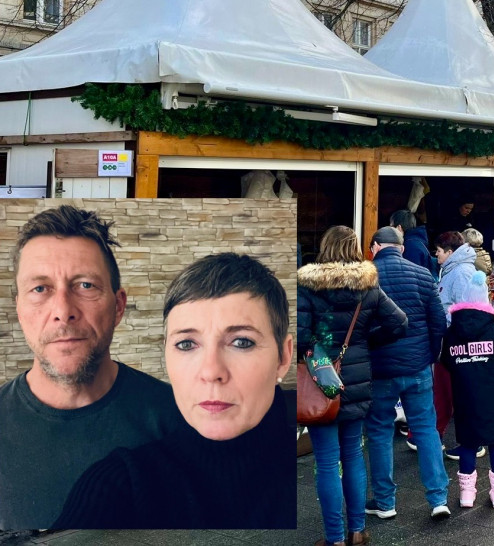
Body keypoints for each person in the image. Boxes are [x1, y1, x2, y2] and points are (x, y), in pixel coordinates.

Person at [54, 253, 296, 528]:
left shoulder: (315, 466)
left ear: (283, 358)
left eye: (241, 342)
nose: (211, 371)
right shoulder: (118, 486)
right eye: (186, 344)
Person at [0, 206, 181, 530]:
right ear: (19, 308)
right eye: (40, 288)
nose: (63, 311)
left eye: (85, 285)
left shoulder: (180, 421)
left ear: (118, 306)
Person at [298, 226, 409, 545]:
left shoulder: (306, 284)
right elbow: (399, 322)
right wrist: (363, 343)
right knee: (353, 456)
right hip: (357, 381)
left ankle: (334, 538)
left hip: (321, 383)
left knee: (327, 463)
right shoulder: (368, 285)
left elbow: (302, 336)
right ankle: (357, 531)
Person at [364, 227, 450, 522]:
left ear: (374, 247)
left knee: (379, 432)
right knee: (426, 429)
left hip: (380, 369)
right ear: (400, 248)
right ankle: (439, 499)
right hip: (417, 367)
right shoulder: (424, 274)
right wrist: (430, 356)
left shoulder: (366, 276)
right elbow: (439, 322)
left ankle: (385, 502)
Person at [441, 271, 494, 510]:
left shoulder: (452, 332)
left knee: (468, 444)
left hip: (465, 396)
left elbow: (446, 361)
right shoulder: (493, 329)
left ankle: (466, 495)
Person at [432, 231, 483, 460]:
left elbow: (466, 309)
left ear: (450, 252)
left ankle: (474, 443)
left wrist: (453, 330)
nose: (436, 254)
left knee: (461, 393)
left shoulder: (461, 272)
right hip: (451, 339)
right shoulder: (452, 269)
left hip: (458, 341)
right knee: (449, 391)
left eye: (439, 251)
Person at [390, 209, 438, 279]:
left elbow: (410, 277)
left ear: (399, 228)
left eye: (392, 227)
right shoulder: (417, 241)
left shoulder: (410, 247)